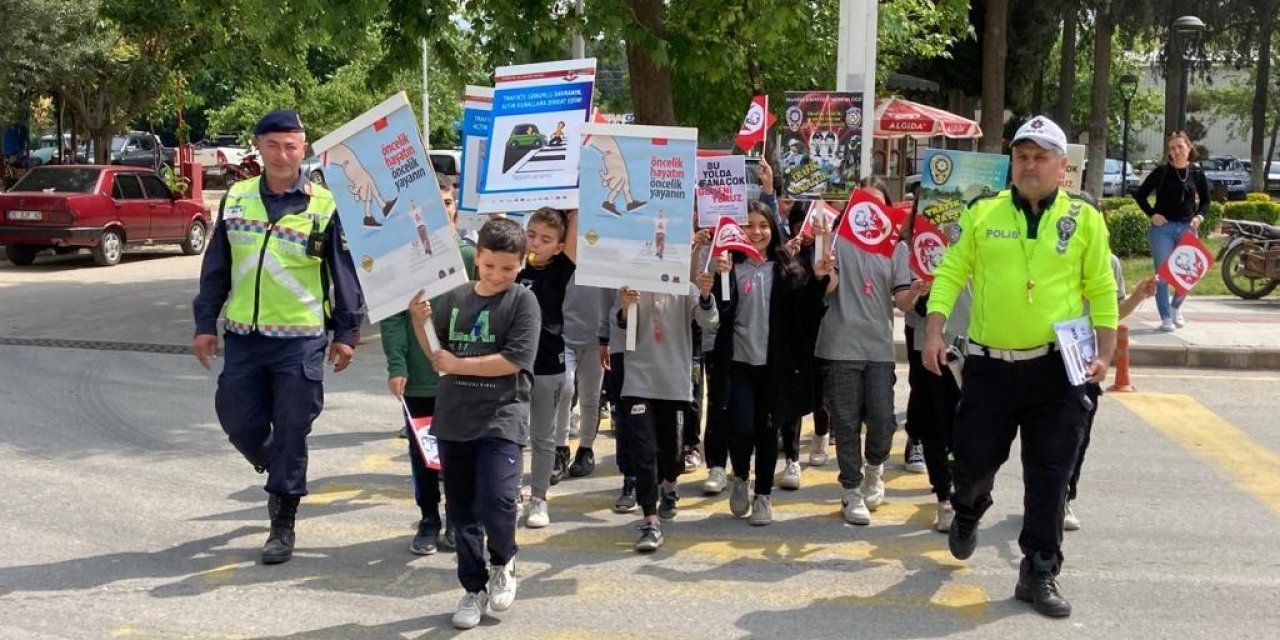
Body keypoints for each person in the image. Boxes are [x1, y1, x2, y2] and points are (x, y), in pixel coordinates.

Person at [923, 115, 1118, 619]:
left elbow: (1100, 287)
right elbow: (950, 272)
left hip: (1057, 368)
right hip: (990, 367)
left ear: (1061, 167)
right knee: (972, 460)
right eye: (1022, 156)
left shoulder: (1085, 219)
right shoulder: (984, 213)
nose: (1029, 165)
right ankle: (968, 508)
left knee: (1050, 472)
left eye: (1040, 157)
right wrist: (933, 329)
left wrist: (1107, 349)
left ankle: (1040, 568)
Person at [191, 109, 363, 565]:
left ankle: (282, 520)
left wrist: (346, 331)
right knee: (236, 417)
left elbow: (343, 274)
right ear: (259, 148)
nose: (283, 155)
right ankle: (276, 462)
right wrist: (205, 323)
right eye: (273, 145)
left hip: (300, 339)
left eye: (291, 146)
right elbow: (217, 268)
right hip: (245, 336)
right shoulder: (237, 198)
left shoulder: (325, 205)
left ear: (303, 149)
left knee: (292, 427)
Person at [409, 218, 541, 630]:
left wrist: (459, 363)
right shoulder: (455, 296)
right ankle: (472, 587)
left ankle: (504, 560)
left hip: (502, 415)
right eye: (489, 266)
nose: (498, 275)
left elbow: (514, 359)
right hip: (454, 417)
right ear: (477, 257)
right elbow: (436, 353)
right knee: (462, 509)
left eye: (507, 267)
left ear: (521, 264)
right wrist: (418, 319)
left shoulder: (523, 302)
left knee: (498, 500)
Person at [812, 186, 922, 527]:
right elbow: (827, 286)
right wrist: (824, 261)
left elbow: (902, 300)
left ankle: (874, 469)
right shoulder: (838, 242)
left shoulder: (897, 248)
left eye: (878, 205)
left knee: (883, 420)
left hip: (878, 348)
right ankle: (850, 488)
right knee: (844, 423)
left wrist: (916, 291)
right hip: (840, 346)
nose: (871, 211)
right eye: (864, 204)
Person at [708, 201, 821, 525]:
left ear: (773, 229)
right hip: (739, 363)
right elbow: (718, 313)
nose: (755, 232)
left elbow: (807, 307)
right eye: (749, 225)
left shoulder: (785, 267)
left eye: (762, 225)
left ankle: (763, 496)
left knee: (768, 431)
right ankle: (741, 476)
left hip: (775, 366)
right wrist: (720, 276)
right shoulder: (729, 266)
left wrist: (821, 275)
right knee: (741, 427)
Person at [381, 174, 473, 555]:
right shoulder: (403, 259)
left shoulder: (470, 256)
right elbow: (392, 317)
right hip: (420, 380)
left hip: (462, 377)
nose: (441, 212)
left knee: (459, 452)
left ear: (455, 208)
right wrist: (397, 365)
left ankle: (457, 515)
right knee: (424, 454)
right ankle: (428, 517)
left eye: (447, 204)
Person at [616, 272, 718, 552]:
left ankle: (670, 486)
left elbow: (709, 321)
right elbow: (624, 328)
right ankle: (649, 518)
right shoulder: (632, 284)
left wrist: (707, 296)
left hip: (674, 382)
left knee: (673, 453)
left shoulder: (687, 287)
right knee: (644, 451)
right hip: (639, 380)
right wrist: (626, 306)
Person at [1065, 259, 1156, 530]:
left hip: (1086, 361)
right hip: (1048, 356)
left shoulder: (1108, 261)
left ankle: (1063, 498)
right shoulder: (1048, 245)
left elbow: (1114, 312)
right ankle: (1042, 496)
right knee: (1043, 439)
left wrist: (1138, 295)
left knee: (1078, 437)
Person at [519, 207, 577, 529]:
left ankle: (538, 498)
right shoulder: (511, 266)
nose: (536, 243)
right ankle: (511, 491)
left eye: (546, 239)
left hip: (547, 364)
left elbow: (574, 231)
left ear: (558, 246)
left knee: (543, 437)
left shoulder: (560, 269)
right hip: (512, 365)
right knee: (512, 434)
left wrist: (574, 201)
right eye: (531, 235)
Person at [1132, 131, 1210, 331]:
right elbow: (1140, 195)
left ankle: (1176, 307)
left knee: (1189, 274)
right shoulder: (1161, 172)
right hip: (1163, 230)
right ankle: (1166, 317)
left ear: (1188, 148)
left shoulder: (1197, 173)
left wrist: (1199, 216)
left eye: (1180, 147)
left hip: (1187, 228)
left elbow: (1206, 201)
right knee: (1163, 275)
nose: (1176, 151)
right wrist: (1152, 214)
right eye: (1172, 148)